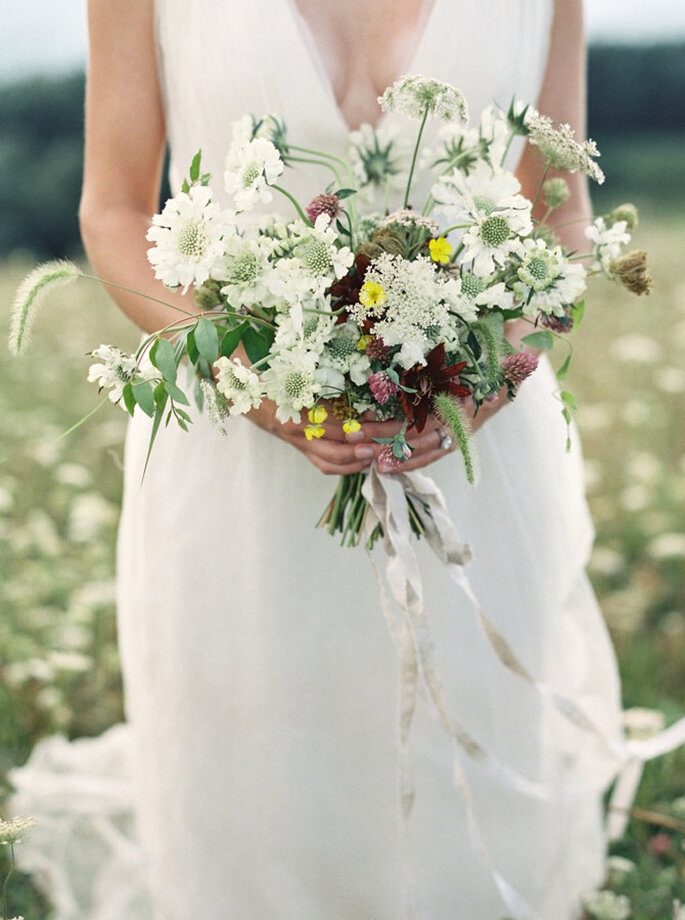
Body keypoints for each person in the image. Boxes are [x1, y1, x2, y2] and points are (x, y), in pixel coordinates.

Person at [74, 0, 625, 917]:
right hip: (235, 460)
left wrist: (480, 387)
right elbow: (116, 207)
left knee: (466, 782)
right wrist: (267, 392)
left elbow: (558, 213)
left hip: (474, 462)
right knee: (259, 790)